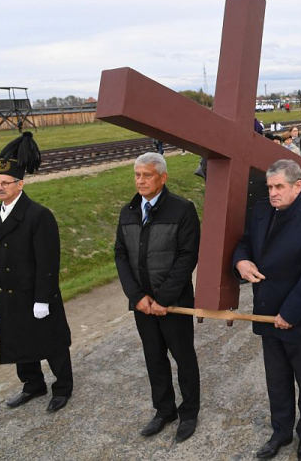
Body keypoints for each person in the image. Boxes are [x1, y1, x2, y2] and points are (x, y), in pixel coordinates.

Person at [233, 159, 301, 461]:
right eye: (270, 187)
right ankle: (280, 432)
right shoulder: (262, 211)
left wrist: (289, 314)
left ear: (298, 186)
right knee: (276, 381)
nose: (273, 193)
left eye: (279, 187)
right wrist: (241, 261)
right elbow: (245, 243)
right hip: (267, 313)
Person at [114, 153, 201, 442]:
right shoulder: (128, 210)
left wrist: (164, 298)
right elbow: (121, 254)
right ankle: (164, 410)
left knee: (183, 356)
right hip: (143, 305)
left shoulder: (182, 210)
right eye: (137, 175)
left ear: (162, 177)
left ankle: (188, 412)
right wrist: (137, 296)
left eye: (146, 175)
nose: (140, 181)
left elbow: (188, 256)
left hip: (173, 303)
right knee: (154, 357)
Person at [0, 132, 73, 412]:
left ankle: (63, 387)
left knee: (51, 342)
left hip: (35, 293)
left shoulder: (38, 215)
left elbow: (49, 261)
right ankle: (32, 384)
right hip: (9, 292)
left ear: (20, 184)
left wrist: (43, 298)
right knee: (19, 340)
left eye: (5, 183)